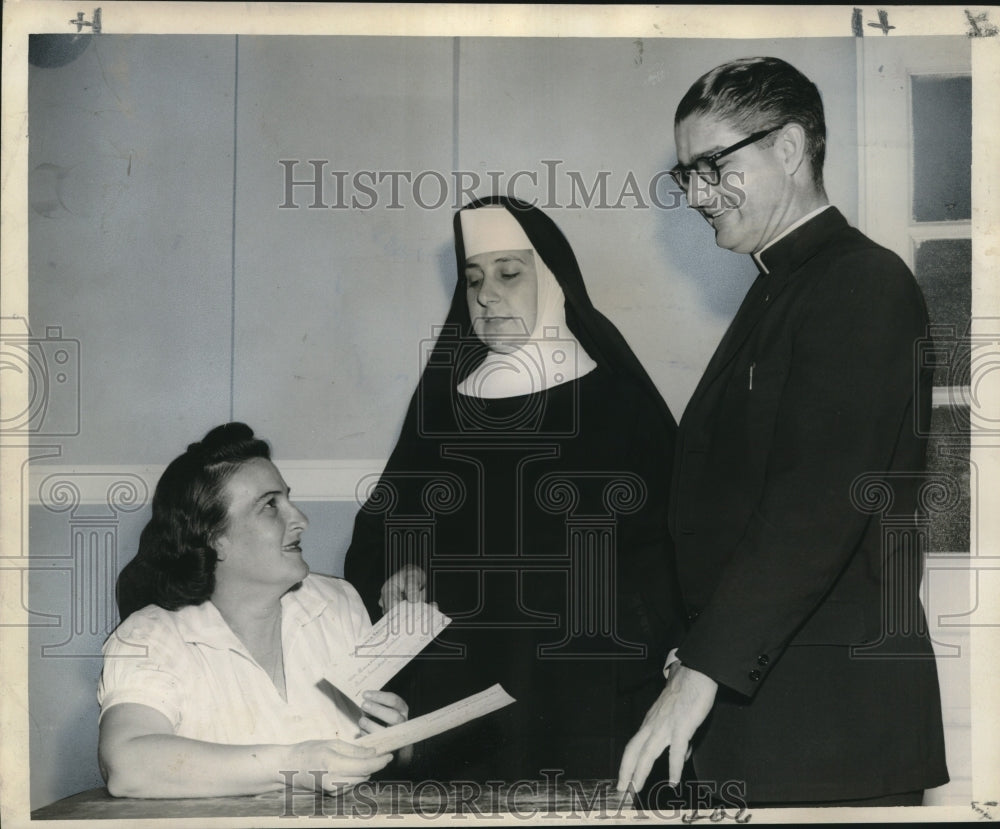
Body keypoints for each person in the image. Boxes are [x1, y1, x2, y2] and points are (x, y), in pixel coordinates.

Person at [617, 57, 949, 807]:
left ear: (791, 148)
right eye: (686, 174)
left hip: (828, 722)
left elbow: (815, 505)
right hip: (776, 710)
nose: (697, 195)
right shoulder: (782, 286)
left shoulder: (861, 283)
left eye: (712, 166)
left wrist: (702, 671)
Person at [344, 196, 683, 782]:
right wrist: (402, 568)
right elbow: (391, 527)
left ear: (550, 279)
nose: (485, 295)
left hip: (585, 680)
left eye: (508, 274)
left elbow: (671, 546)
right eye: (472, 279)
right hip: (458, 679)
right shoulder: (444, 403)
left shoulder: (619, 403)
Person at [98, 423, 408, 798]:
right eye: (270, 505)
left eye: (288, 499)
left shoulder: (338, 602)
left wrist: (397, 740)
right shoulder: (149, 635)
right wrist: (295, 763)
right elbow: (126, 765)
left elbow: (393, 754)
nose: (301, 520)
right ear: (215, 538)